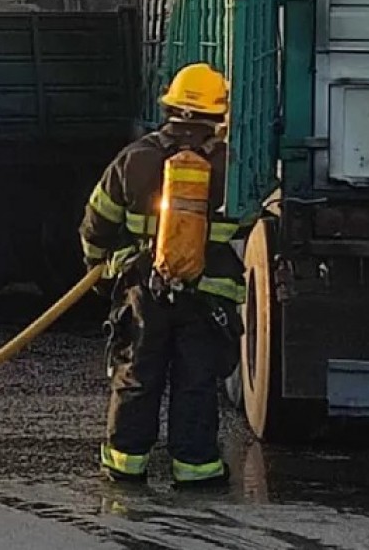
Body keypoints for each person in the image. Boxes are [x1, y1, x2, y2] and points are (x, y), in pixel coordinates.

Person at [79, 62, 249, 487]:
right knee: (196, 380)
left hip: (145, 291)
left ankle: (124, 463)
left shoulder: (134, 159)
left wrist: (99, 269)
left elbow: (95, 223)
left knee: (137, 373)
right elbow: (252, 222)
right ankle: (195, 468)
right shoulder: (233, 166)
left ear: (171, 106)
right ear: (218, 115)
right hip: (207, 295)